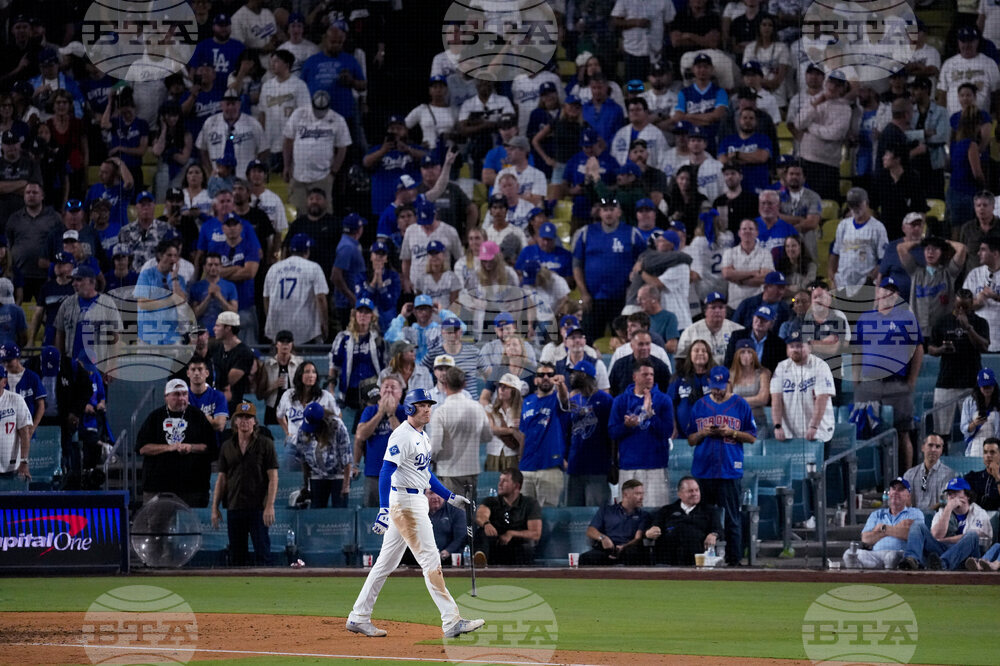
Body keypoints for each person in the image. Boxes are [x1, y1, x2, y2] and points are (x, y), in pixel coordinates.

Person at [346, 389, 483, 639]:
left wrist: (451, 497)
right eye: (422, 405)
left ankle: (358, 616)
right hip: (405, 502)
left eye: (430, 405)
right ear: (410, 409)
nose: (428, 409)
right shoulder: (402, 436)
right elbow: (386, 471)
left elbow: (425, 473)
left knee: (384, 564)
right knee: (431, 561)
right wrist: (384, 510)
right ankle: (451, 620)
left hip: (415, 497)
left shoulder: (422, 435)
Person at [686, 366, 757, 566]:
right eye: (714, 387)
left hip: (729, 469)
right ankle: (702, 560)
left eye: (720, 387)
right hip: (703, 469)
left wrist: (731, 432)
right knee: (702, 518)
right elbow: (690, 439)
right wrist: (703, 433)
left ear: (728, 383)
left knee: (732, 518)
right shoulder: (700, 405)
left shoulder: (740, 404)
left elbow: (752, 437)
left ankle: (735, 561)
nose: (717, 391)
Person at [854, 277, 924, 472]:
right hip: (869, 384)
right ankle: (870, 479)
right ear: (876, 293)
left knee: (903, 432)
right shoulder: (865, 318)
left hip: (897, 383)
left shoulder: (906, 318)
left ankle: (906, 476)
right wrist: (856, 381)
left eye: (892, 292)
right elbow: (857, 351)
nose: (887, 295)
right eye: (884, 290)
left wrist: (911, 380)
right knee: (865, 433)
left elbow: (918, 349)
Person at [212, 401, 279, 567]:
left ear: (255, 421)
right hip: (234, 506)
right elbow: (222, 479)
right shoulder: (227, 446)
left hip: (258, 507)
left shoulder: (265, 444)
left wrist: (269, 505)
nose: (244, 420)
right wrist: (215, 507)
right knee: (237, 556)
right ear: (235, 421)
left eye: (248, 417)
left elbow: (273, 477)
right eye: (240, 417)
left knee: (263, 553)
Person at [573, 196, 645, 342]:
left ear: (619, 212)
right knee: (588, 341)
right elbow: (576, 265)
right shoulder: (586, 233)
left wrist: (634, 286)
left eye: (612, 209)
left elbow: (644, 259)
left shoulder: (631, 233)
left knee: (623, 340)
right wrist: (584, 293)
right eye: (605, 210)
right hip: (593, 299)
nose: (608, 213)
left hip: (621, 299)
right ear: (600, 212)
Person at [136, 378, 217, 507]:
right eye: (176, 394)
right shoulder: (155, 417)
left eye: (184, 394)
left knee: (191, 526)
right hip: (158, 486)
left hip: (193, 487)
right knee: (157, 526)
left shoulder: (198, 416)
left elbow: (210, 447)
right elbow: (142, 448)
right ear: (166, 397)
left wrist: (191, 447)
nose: (181, 398)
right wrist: (169, 448)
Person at [609, 359, 674, 507]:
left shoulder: (664, 400)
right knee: (628, 513)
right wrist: (627, 426)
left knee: (657, 512)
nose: (649, 377)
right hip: (629, 466)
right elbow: (612, 432)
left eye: (651, 374)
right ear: (635, 377)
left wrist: (652, 416)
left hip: (656, 466)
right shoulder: (620, 401)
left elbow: (667, 432)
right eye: (645, 374)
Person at [929, 288, 989, 436]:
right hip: (946, 382)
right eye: (958, 306)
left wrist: (968, 328)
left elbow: (984, 346)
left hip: (971, 383)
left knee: (975, 430)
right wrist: (942, 349)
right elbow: (930, 348)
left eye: (965, 307)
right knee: (940, 431)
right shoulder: (942, 321)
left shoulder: (980, 322)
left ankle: (972, 457)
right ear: (953, 304)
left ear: (972, 305)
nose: (961, 310)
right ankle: (941, 456)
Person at [899, 477, 992, 570]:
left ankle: (943, 564)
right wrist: (948, 509)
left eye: (956, 493)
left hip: (967, 558)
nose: (952, 497)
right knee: (917, 525)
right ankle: (911, 560)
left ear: (967, 495)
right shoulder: (942, 512)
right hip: (942, 554)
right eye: (950, 494)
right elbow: (936, 535)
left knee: (972, 535)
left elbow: (976, 538)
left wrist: (944, 540)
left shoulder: (979, 513)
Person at [428, 366, 493, 498]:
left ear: (445, 385)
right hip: (471, 470)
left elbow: (435, 447)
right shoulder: (477, 407)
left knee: (453, 514)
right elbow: (487, 436)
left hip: (448, 471)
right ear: (464, 384)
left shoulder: (440, 412)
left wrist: (429, 459)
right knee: (469, 513)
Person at [843, 477, 924, 569]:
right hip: (875, 555)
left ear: (908, 496)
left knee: (891, 557)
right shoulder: (877, 514)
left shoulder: (915, 513)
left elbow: (912, 535)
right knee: (849, 554)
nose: (895, 492)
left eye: (900, 489)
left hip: (899, 553)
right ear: (889, 493)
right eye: (893, 489)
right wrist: (896, 529)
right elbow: (865, 538)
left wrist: (882, 528)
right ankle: (860, 580)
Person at [519, 362, 570, 507]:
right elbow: (523, 434)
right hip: (527, 467)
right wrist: (520, 459)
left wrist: (560, 385)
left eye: (550, 375)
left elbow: (565, 399)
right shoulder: (527, 401)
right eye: (541, 375)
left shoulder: (556, 399)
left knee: (549, 515)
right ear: (535, 380)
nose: (546, 377)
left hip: (550, 467)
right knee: (525, 514)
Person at [262, 233, 328, 344]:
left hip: (278, 327)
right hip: (305, 329)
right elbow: (320, 298)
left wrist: (271, 321)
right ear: (307, 251)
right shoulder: (313, 268)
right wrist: (325, 323)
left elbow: (266, 299)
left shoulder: (274, 269)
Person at [798, 70, 853, 201]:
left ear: (843, 88)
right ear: (825, 83)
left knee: (824, 205)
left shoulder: (845, 109)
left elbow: (833, 134)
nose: (833, 87)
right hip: (805, 161)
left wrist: (811, 127)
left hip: (827, 166)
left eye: (837, 85)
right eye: (831, 82)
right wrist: (816, 103)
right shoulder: (813, 101)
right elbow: (799, 124)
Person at [646, 476, 723, 565]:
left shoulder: (710, 511)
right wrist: (649, 532)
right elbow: (653, 528)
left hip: (697, 557)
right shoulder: (666, 510)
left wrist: (713, 534)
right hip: (669, 558)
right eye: (690, 491)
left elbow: (719, 530)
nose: (695, 494)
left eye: (697, 490)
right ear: (680, 494)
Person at [898, 236, 967, 335]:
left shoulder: (949, 272)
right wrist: (919, 241)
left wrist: (945, 241)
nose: (930, 252)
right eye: (927, 249)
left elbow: (962, 248)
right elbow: (901, 248)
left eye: (935, 249)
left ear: (941, 252)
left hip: (942, 330)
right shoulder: (915, 271)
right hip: (917, 330)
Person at [473, 468, 543, 566]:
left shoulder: (530, 503)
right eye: (500, 480)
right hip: (496, 545)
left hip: (517, 546)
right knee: (482, 532)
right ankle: (480, 563)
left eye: (505, 481)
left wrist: (512, 533)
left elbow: (535, 534)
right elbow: (480, 515)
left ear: (517, 486)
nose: (500, 484)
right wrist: (486, 524)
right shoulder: (491, 501)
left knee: (526, 545)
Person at [292, 402, 352, 508]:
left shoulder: (338, 426)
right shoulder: (303, 430)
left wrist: (346, 485)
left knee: (340, 512)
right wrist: (306, 485)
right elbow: (303, 459)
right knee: (316, 510)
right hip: (317, 475)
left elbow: (346, 458)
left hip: (338, 474)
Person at [578, 478, 652, 565]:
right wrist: (603, 538)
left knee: (634, 554)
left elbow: (638, 538)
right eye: (638, 494)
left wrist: (624, 547)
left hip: (629, 549)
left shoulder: (644, 515)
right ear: (625, 494)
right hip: (607, 549)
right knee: (585, 558)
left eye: (642, 494)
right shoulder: (607, 510)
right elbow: (590, 530)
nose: (641, 497)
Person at [829, 188, 887, 295]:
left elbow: (882, 259)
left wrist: (870, 279)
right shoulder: (843, 225)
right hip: (842, 283)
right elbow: (835, 253)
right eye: (852, 205)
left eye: (858, 204)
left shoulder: (878, 227)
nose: (855, 208)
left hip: (865, 283)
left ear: (867, 203)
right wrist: (832, 276)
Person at [721, 218, 774, 311]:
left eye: (751, 229)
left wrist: (739, 279)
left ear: (757, 233)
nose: (747, 231)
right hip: (734, 305)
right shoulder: (729, 252)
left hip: (758, 306)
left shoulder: (765, 253)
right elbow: (727, 274)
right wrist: (753, 273)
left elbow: (766, 278)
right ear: (739, 233)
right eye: (744, 229)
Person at [902, 435, 957, 511]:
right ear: (923, 448)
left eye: (937, 447)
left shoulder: (949, 474)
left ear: (941, 451)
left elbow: (944, 503)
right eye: (930, 445)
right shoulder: (909, 474)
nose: (933, 449)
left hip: (938, 518)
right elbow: (905, 502)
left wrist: (924, 514)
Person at [728, 339, 771, 437]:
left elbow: (763, 399)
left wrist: (737, 400)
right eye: (742, 352)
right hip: (735, 421)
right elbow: (727, 401)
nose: (746, 356)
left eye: (750, 352)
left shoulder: (763, 373)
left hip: (757, 421)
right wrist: (754, 400)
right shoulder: (730, 375)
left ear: (754, 355)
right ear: (737, 355)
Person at [965, 237, 1000, 352]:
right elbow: (962, 306)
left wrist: (995, 296)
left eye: (983, 250)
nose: (978, 253)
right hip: (980, 338)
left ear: (995, 253)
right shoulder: (975, 274)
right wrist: (977, 302)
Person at [0, 364, 32, 484]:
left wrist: (24, 462)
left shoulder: (16, 400)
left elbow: (25, 433)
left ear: (4, 381)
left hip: (11, 468)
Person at [960, 370, 1000, 457]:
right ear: (979, 386)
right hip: (976, 444)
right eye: (984, 387)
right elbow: (964, 428)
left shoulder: (998, 402)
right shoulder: (969, 402)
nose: (987, 389)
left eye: (989, 386)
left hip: (994, 444)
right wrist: (974, 424)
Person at [964, 438, 1000, 510]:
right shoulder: (973, 478)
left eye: (992, 452)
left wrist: (997, 477)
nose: (988, 455)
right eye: (985, 452)